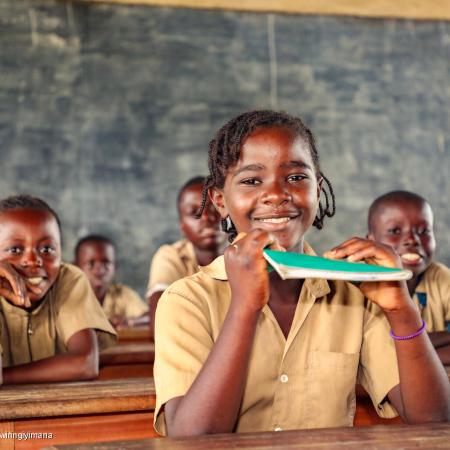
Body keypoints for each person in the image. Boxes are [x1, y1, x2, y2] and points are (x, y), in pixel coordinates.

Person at [153, 110, 449, 436]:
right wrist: (243, 308)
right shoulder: (186, 301)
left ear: (318, 191)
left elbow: (434, 421)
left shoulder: (355, 294)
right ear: (220, 201)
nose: (277, 194)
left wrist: (401, 310)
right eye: (252, 181)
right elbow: (190, 439)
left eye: (295, 177)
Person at [0, 195, 116, 384]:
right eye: (15, 250)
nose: (33, 260)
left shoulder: (69, 279)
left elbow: (85, 363)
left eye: (46, 249)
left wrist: (4, 377)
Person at [367, 190, 450, 364]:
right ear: (371, 241)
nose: (412, 240)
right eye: (395, 230)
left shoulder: (440, 277)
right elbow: (371, 357)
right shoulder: (360, 283)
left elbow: (389, 354)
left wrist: (406, 353)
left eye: (423, 231)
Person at [146, 176, 222, 339]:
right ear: (182, 226)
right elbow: (161, 327)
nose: (208, 218)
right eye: (195, 213)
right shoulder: (171, 257)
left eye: (215, 208)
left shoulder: (250, 251)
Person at [75, 235, 148, 329]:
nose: (99, 270)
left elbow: (150, 316)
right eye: (90, 264)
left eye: (106, 263)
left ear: (115, 267)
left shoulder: (122, 294)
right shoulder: (67, 297)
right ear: (75, 267)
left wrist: (130, 322)